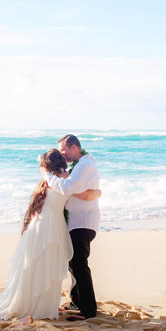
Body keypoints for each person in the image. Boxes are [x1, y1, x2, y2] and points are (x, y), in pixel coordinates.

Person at [0, 149, 101, 321]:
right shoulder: (65, 180)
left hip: (45, 224)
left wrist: (46, 174)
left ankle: (41, 303)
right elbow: (85, 195)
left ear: (46, 165)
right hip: (50, 225)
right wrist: (98, 193)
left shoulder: (50, 180)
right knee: (45, 265)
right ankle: (40, 304)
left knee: (39, 265)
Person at [41, 134, 100, 321]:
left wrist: (47, 175)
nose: (62, 154)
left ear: (74, 146)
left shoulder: (84, 165)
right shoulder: (81, 164)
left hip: (83, 221)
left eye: (64, 150)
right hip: (77, 221)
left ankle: (88, 310)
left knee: (79, 265)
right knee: (73, 263)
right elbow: (77, 190)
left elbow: (67, 188)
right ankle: (77, 302)